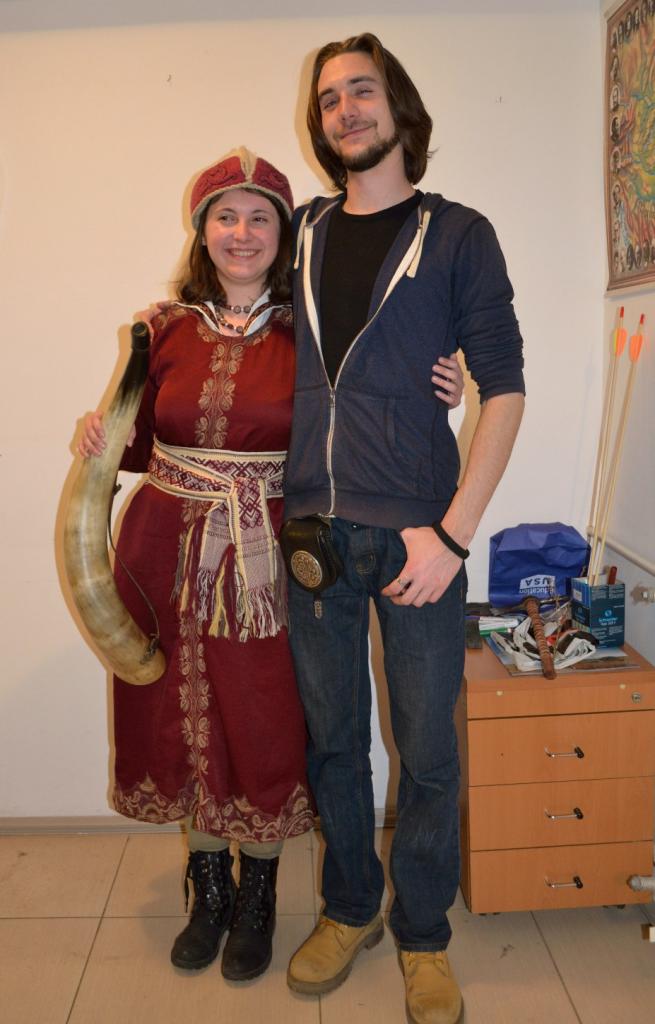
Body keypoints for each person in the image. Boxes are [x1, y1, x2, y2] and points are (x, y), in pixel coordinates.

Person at [77, 147, 464, 984]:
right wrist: (99, 433)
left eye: (261, 218)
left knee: (261, 718)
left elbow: (368, 397)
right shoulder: (160, 329)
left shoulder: (311, 333)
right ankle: (207, 888)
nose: (242, 233)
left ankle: (257, 893)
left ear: (284, 236)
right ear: (201, 230)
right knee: (178, 713)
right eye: (225, 216)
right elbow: (137, 447)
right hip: (161, 552)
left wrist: (444, 379)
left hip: (269, 557)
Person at [283, 33, 525, 1024]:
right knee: (334, 744)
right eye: (329, 97)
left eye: (362, 90)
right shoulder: (301, 232)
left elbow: (504, 389)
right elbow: (230, 319)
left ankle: (423, 934)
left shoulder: (457, 233)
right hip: (312, 535)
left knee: (426, 752)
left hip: (419, 540)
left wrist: (453, 536)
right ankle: (350, 910)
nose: (345, 109)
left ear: (399, 107)